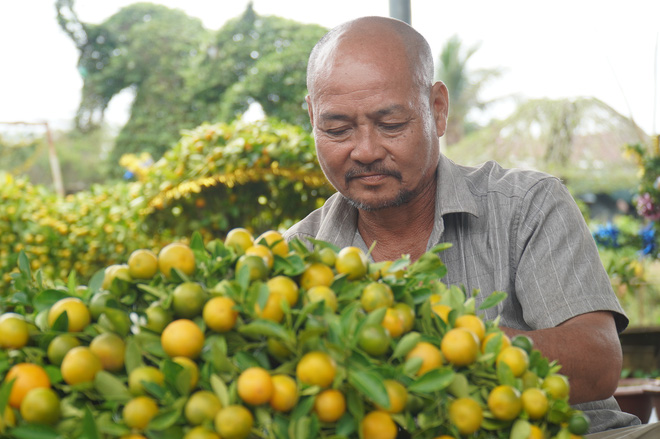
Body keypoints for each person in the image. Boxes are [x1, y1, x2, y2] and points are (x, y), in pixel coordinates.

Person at [283, 16, 660, 438]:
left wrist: (444, 344)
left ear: (437, 110)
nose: (366, 150)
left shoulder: (527, 206)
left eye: (390, 124)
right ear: (313, 117)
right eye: (337, 129)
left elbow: (598, 362)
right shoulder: (293, 260)